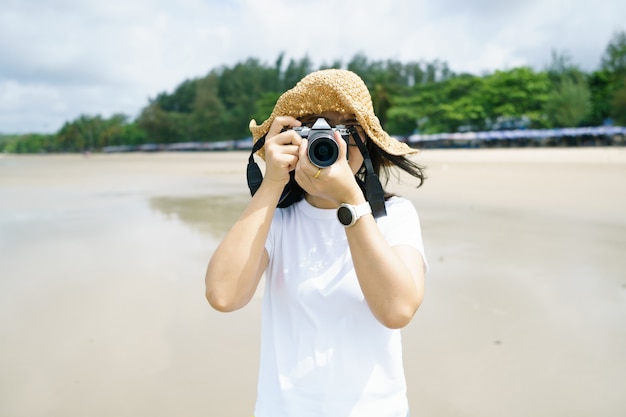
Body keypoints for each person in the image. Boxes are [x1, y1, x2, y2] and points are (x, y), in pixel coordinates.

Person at [205, 69, 428, 417]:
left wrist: (351, 199)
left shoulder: (395, 216)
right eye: (312, 128)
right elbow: (223, 295)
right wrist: (272, 184)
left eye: (347, 129)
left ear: (366, 141)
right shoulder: (275, 221)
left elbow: (397, 310)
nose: (331, 142)